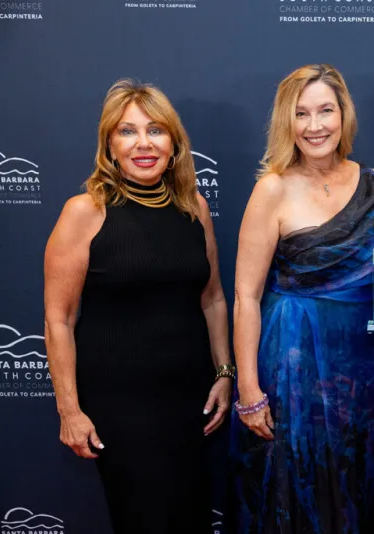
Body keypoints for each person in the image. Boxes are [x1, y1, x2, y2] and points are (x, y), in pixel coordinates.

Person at [44, 79, 232, 534]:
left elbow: (212, 298)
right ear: (109, 145)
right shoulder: (84, 212)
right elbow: (58, 319)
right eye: (128, 132)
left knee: (190, 517)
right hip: (119, 405)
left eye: (156, 130)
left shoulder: (194, 207)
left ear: (174, 143)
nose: (144, 143)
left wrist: (225, 373)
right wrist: (69, 410)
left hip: (188, 399)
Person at [229, 64, 374, 534]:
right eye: (301, 113)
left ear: (344, 116)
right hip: (293, 364)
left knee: (353, 483)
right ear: (287, 121)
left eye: (325, 111)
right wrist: (248, 391)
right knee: (297, 486)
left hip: (359, 366)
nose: (315, 125)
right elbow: (245, 296)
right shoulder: (272, 188)